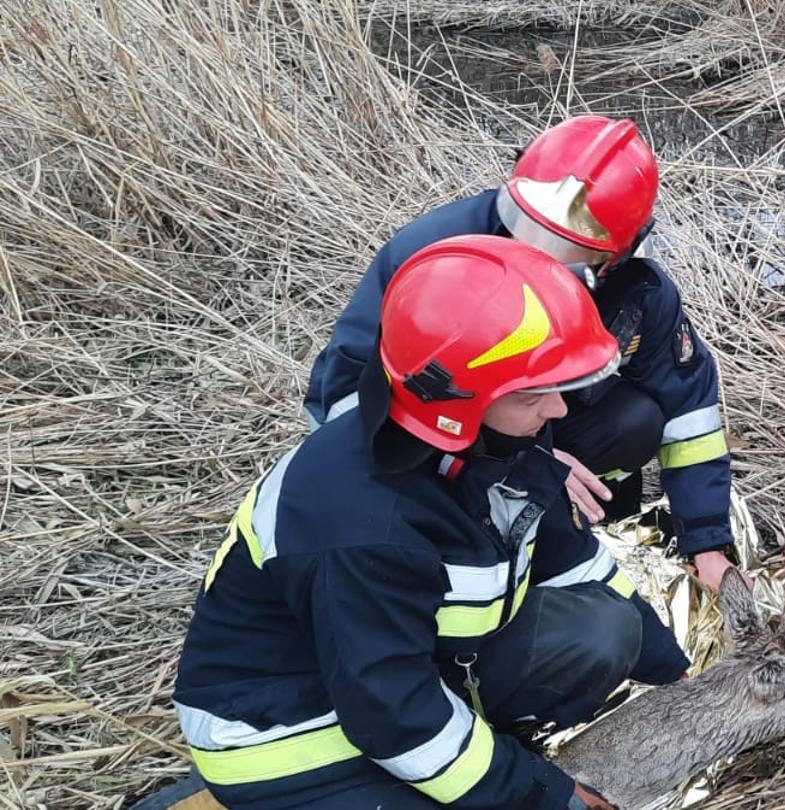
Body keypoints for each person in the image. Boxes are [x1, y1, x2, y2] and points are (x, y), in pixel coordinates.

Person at [171, 235, 680, 808]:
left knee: (602, 628)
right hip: (286, 731)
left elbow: (573, 562)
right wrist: (543, 794)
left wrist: (678, 675)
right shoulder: (360, 523)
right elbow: (394, 714)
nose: (559, 410)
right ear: (458, 403)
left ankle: (467, 757)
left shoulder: (498, 441)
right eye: (537, 394)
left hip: (394, 672)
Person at [303, 115, 737, 589]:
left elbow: (690, 413)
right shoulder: (434, 259)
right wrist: (526, 466)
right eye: (526, 227)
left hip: (523, 422)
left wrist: (707, 545)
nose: (535, 254)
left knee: (636, 420)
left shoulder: (640, 292)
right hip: (433, 434)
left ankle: (571, 525)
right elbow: (348, 401)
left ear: (618, 255)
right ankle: (482, 524)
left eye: (565, 250)